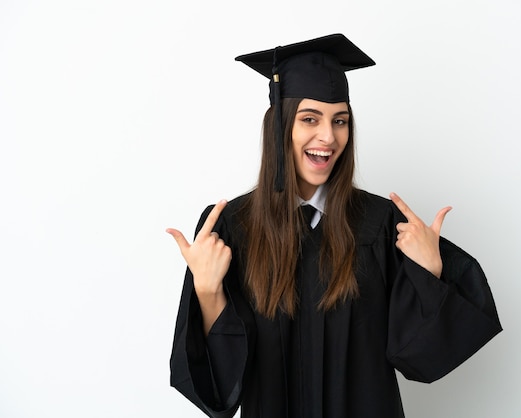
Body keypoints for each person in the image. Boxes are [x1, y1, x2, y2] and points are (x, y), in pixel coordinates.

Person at [167, 34, 502, 418]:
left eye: (340, 121)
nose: (328, 136)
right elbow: (221, 391)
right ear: (279, 127)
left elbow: (418, 359)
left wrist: (430, 273)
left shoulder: (381, 224)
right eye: (310, 118)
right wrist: (208, 292)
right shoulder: (230, 228)